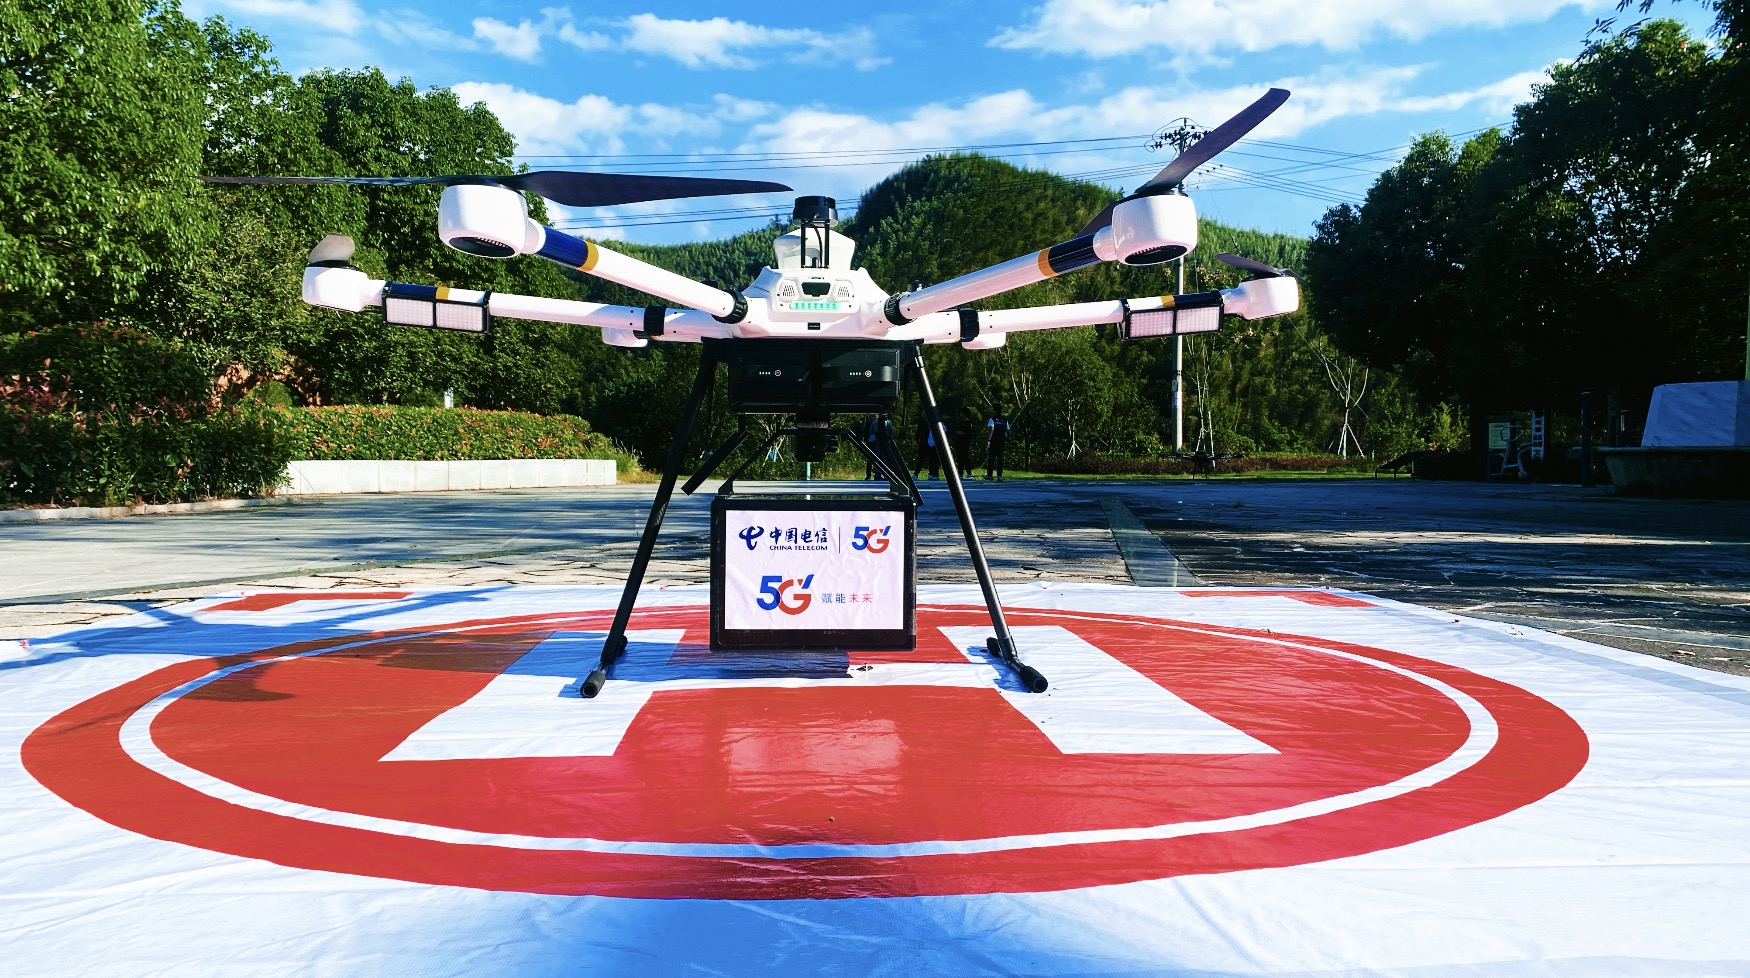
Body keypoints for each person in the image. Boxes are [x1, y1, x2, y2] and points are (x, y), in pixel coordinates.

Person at [984, 411, 1011, 480]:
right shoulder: (1005, 420)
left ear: (995, 411)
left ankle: (989, 475)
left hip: (993, 441)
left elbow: (991, 429)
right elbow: (1008, 430)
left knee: (991, 458)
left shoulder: (992, 419)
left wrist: (988, 440)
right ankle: (999, 475)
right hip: (1002, 442)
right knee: (1000, 459)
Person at [914, 412, 939, 480]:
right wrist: (917, 441)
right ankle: (916, 474)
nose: (923, 414)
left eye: (924, 413)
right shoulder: (922, 422)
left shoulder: (932, 422)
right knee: (920, 459)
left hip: (931, 444)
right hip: (923, 443)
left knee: (932, 459)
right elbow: (918, 432)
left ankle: (932, 474)